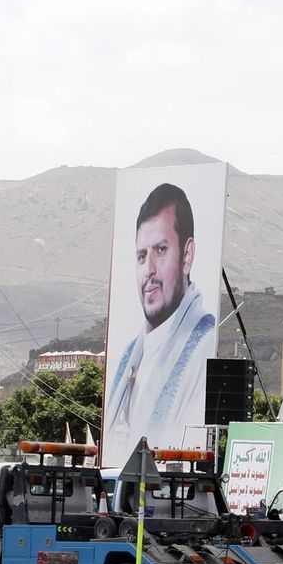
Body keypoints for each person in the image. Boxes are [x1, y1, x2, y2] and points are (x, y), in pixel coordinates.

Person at [104, 183, 217, 455]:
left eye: (161, 250)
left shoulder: (203, 348)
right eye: (142, 256)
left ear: (187, 256)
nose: (149, 270)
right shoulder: (132, 355)